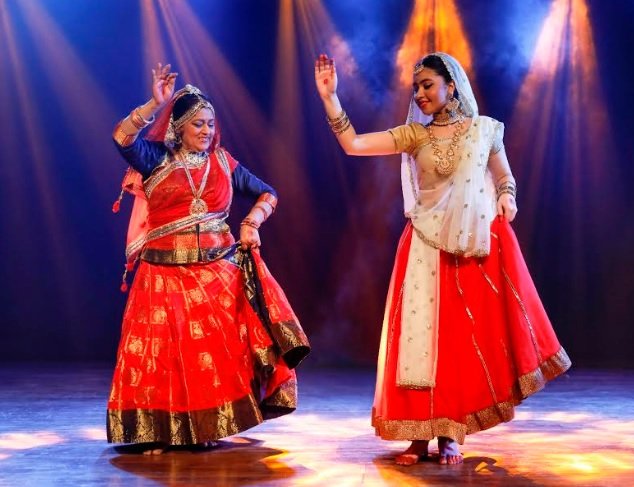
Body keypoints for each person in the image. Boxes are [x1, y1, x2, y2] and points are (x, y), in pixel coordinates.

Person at [314, 52, 571, 466]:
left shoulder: (486, 131)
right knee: (420, 343)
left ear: (451, 86)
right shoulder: (416, 135)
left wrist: (507, 197)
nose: (420, 93)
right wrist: (331, 99)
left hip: (469, 248)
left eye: (427, 84)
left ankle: (452, 431)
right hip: (422, 246)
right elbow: (354, 144)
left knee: (459, 342)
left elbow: (504, 177)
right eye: (416, 87)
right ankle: (417, 436)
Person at [107, 63, 309, 454]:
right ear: (179, 126)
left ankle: (205, 425)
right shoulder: (156, 159)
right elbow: (121, 137)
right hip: (161, 275)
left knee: (210, 358)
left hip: (215, 274)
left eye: (211, 125)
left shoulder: (224, 163)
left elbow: (268, 193)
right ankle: (157, 430)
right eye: (198, 124)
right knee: (161, 358)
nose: (206, 132)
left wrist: (251, 223)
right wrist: (155, 102)